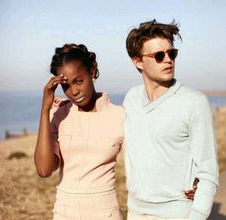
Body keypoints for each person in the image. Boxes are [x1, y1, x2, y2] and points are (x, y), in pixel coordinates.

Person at [123, 19, 219, 220]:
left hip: (177, 214)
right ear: (138, 61)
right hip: (135, 212)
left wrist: (197, 215)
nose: (168, 60)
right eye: (159, 55)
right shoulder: (131, 98)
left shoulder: (194, 102)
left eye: (172, 53)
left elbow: (208, 171)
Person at [34, 43, 124, 220]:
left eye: (79, 81)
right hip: (65, 213)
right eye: (66, 86)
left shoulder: (120, 116)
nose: (74, 91)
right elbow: (44, 170)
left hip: (106, 213)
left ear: (92, 71)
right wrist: (45, 110)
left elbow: (140, 168)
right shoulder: (58, 114)